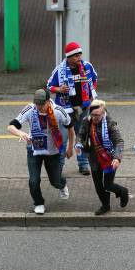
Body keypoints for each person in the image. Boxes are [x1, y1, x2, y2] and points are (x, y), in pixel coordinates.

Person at [7, 89, 74, 215]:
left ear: (48, 102)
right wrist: (21, 133)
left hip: (52, 151)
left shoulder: (59, 111)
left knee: (55, 181)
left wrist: (70, 147)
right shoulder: (30, 109)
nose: (39, 107)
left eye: (42, 104)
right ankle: (38, 202)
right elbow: (11, 126)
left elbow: (70, 128)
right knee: (33, 180)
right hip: (34, 149)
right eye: (37, 104)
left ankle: (62, 185)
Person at [47, 41, 98, 175]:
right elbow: (49, 86)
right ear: (69, 57)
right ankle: (59, 166)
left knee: (82, 136)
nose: (79, 58)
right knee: (63, 138)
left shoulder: (87, 66)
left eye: (80, 54)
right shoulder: (59, 70)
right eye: (75, 55)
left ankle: (83, 164)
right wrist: (59, 89)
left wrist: (90, 95)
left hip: (83, 108)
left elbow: (94, 79)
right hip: (65, 110)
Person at [76, 99, 129, 215]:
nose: (95, 117)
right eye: (93, 115)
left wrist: (117, 158)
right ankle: (105, 206)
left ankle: (123, 191)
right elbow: (80, 135)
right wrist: (78, 144)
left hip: (109, 158)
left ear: (103, 112)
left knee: (108, 184)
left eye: (98, 115)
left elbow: (119, 141)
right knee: (99, 186)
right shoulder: (87, 121)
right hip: (94, 158)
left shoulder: (110, 123)